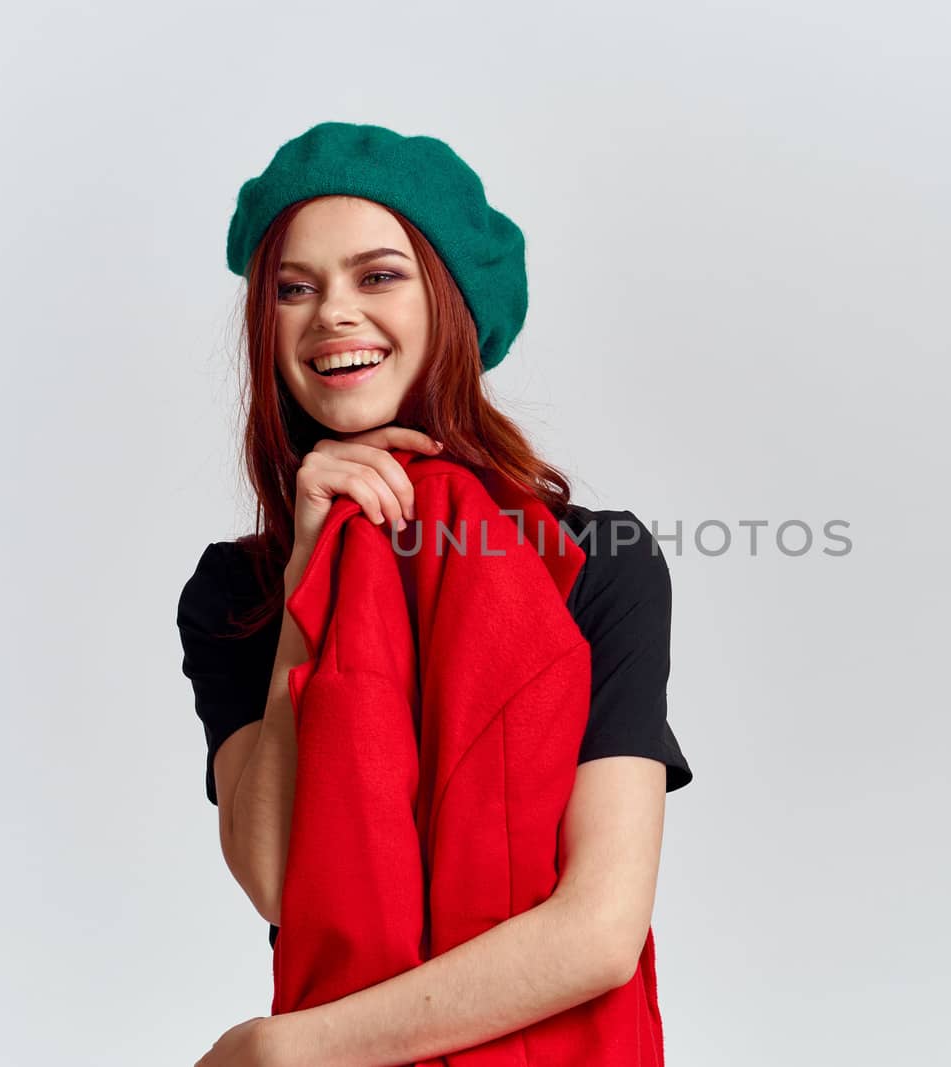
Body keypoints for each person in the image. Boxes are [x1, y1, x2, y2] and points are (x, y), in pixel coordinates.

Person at [177, 122, 693, 1066]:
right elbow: (274, 882)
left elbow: (598, 931)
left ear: (449, 302)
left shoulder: (596, 560)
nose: (333, 313)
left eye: (378, 276)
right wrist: (306, 589)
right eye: (296, 288)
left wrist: (282, 1053)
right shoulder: (235, 591)